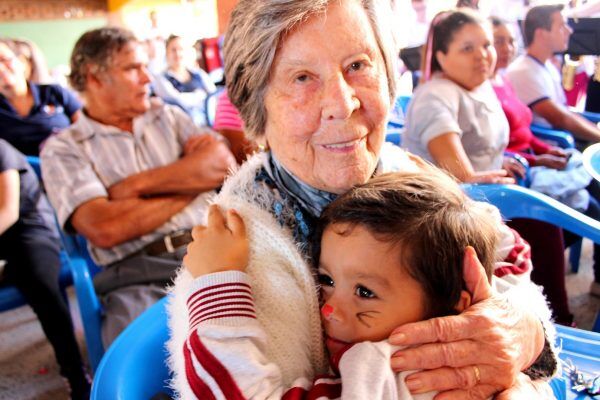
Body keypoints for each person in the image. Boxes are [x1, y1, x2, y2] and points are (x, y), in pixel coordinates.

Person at [168, 1, 558, 399]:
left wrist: (523, 334)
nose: (342, 103)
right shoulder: (228, 263)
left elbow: (503, 257)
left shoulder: (401, 169)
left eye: (357, 65)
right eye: (302, 77)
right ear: (257, 105)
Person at [180, 167, 500, 399]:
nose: (330, 309)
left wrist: (216, 282)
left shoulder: (391, 372)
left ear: (455, 305)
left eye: (365, 292)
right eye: (326, 279)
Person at [40, 27, 236, 347]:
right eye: (133, 68)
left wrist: (135, 187)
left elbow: (223, 164)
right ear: (95, 77)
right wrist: (192, 182)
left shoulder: (169, 117)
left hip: (214, 247)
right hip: (137, 275)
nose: (148, 78)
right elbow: (105, 227)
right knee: (139, 367)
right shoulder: (65, 149)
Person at [492, 16, 600, 300]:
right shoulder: (483, 88)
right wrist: (537, 159)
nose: (504, 49)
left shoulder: (501, 79)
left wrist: (542, 151)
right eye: (495, 42)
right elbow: (491, 152)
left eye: (509, 41)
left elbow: (523, 132)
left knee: (591, 196)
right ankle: (563, 316)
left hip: (528, 163)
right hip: (515, 178)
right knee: (581, 210)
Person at [0, 138, 90, 399]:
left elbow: (8, 211)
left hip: (27, 229)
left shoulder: (2, 149)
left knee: (40, 283)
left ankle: (74, 373)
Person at [404, 9, 524, 184]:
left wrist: (498, 162)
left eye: (487, 45)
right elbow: (463, 179)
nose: (482, 55)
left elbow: (480, 149)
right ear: (442, 57)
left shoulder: (480, 85)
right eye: (467, 48)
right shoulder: (433, 97)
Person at [505, 4, 600, 144]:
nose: (569, 31)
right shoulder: (523, 71)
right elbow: (560, 118)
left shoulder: (547, 65)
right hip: (552, 148)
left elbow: (565, 112)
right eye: (562, 26)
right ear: (541, 33)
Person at [0, 39, 80, 156]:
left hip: (69, 161)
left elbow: (87, 128)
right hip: (21, 171)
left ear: (22, 62)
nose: (1, 68)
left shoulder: (54, 92)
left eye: (4, 60)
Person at [152, 34, 216, 126]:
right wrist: (201, 95)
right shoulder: (161, 78)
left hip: (209, 123)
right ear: (166, 53)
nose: (177, 54)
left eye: (181, 49)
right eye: (173, 50)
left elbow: (213, 95)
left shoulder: (198, 73)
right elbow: (177, 101)